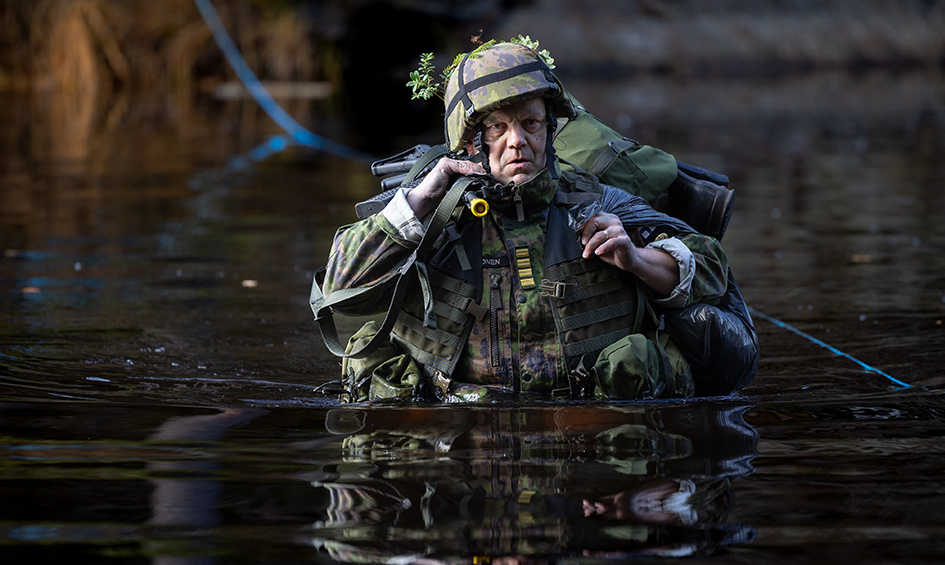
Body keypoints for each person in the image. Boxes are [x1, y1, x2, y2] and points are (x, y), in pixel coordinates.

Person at [314, 40, 756, 402]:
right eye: (498, 129)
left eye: (530, 124)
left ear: (549, 129)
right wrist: (422, 200)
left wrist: (637, 259)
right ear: (470, 141)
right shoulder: (428, 212)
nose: (517, 142)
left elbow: (712, 269)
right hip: (457, 440)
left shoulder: (599, 201)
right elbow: (337, 286)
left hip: (588, 445)